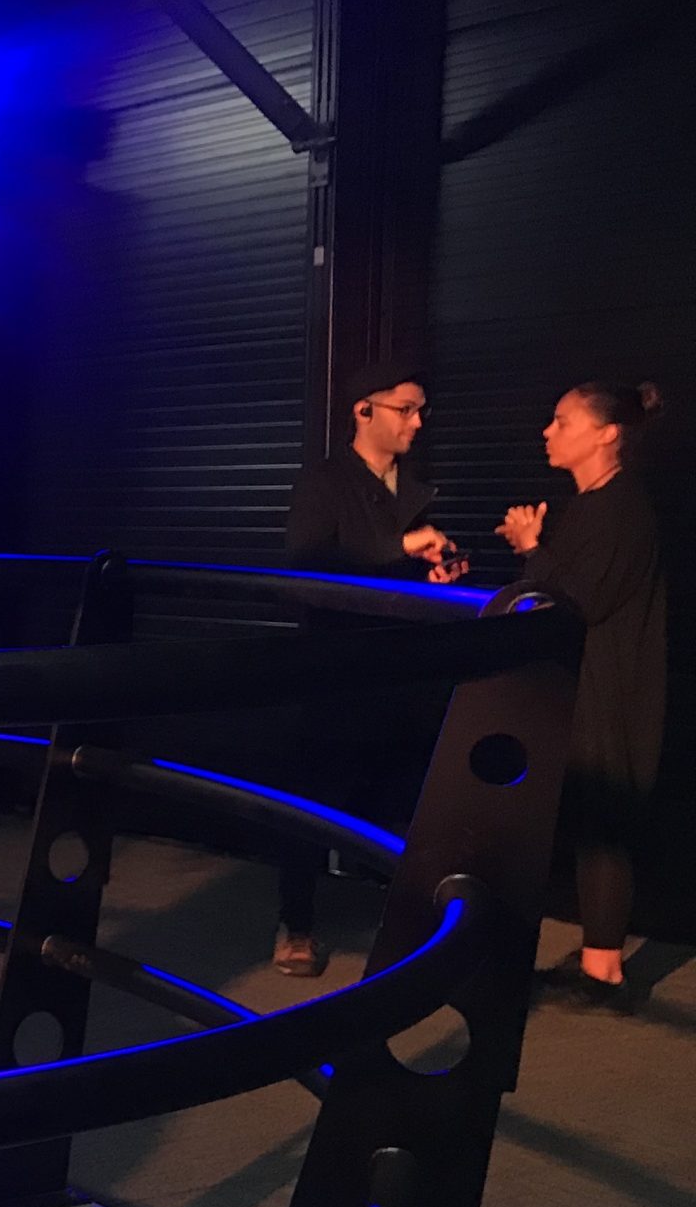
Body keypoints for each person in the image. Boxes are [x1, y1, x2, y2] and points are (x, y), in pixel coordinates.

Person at [272, 364, 466, 976]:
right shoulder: (324, 482)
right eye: (405, 408)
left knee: (405, 798)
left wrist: (439, 574)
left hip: (401, 670)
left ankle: (405, 925)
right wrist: (399, 548)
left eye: (421, 410)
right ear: (364, 410)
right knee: (313, 799)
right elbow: (306, 566)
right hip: (334, 671)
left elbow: (407, 574)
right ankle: (296, 924)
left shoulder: (417, 486)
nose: (417, 422)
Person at [498, 380, 668, 1010]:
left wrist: (533, 549)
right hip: (583, 683)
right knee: (586, 816)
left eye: (563, 421)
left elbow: (580, 602)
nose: (549, 431)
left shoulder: (623, 508)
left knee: (603, 818)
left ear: (606, 433)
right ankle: (598, 959)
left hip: (612, 687)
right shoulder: (592, 506)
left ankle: (603, 970)